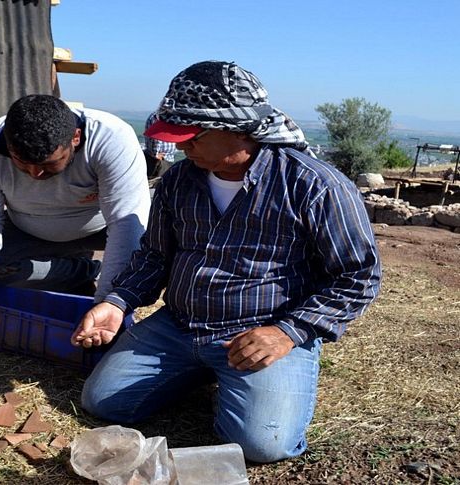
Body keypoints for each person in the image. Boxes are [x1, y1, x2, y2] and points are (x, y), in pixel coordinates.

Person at [70, 61, 381, 463]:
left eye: (191, 137)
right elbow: (155, 254)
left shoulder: (315, 187)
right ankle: (202, 369)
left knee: (262, 445)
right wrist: (117, 303)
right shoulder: (179, 181)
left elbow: (358, 276)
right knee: (103, 403)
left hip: (261, 332)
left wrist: (286, 333)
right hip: (179, 326)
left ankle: (244, 374)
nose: (182, 148)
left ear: (238, 129)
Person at [0, 94, 150, 301]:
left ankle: (86, 275)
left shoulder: (111, 139)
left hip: (100, 228)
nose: (35, 174)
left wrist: (109, 300)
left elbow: (125, 226)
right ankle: (81, 272)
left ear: (75, 138)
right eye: (21, 162)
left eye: (48, 164)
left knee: (157, 249)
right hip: (29, 228)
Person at [142, 111, 177, 178]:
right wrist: (155, 154)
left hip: (165, 158)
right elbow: (155, 137)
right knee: (158, 183)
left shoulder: (165, 115)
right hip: (158, 160)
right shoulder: (160, 115)